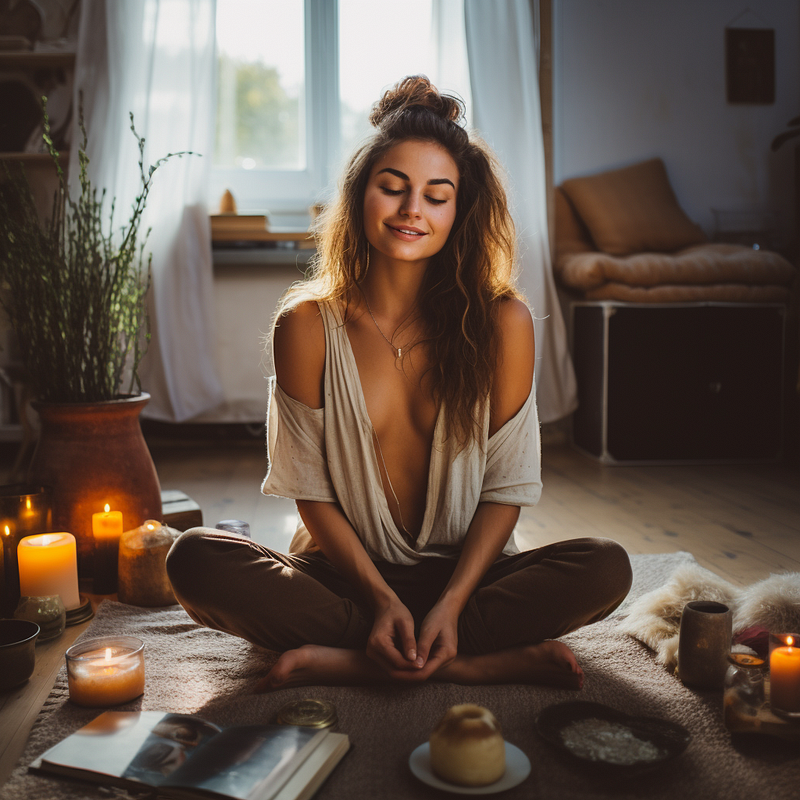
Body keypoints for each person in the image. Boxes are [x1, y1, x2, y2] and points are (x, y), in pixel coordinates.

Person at [166, 76, 632, 690]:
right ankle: (460, 661)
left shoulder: (502, 322)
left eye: (437, 196)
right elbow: (312, 494)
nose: (414, 209)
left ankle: (362, 656)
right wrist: (382, 599)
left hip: (466, 575)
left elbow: (505, 489)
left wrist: (453, 602)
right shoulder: (307, 326)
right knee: (195, 559)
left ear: (459, 213)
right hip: (344, 576)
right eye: (394, 188)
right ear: (362, 195)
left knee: (605, 567)